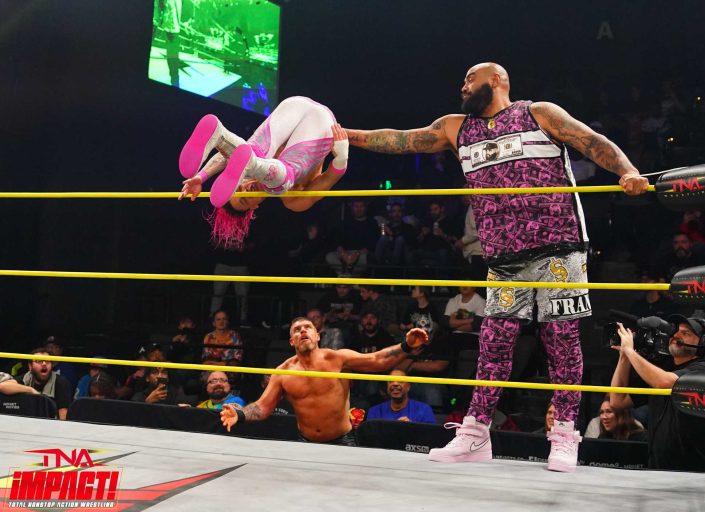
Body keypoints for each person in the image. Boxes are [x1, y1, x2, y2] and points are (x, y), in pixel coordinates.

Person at [347, 62, 648, 471]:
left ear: (497, 80)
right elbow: (401, 140)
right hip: (504, 258)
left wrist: (627, 170)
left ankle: (564, 434)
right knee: (493, 344)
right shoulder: (456, 128)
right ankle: (475, 432)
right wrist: (346, 135)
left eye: (470, 79)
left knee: (561, 339)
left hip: (559, 248)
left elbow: (592, 142)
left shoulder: (538, 113)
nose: (462, 86)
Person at [220, 317, 429, 444]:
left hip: (343, 439)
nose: (303, 331)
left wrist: (407, 346)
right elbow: (262, 407)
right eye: (297, 330)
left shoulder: (337, 359)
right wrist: (240, 414)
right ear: (291, 341)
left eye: (307, 327)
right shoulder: (283, 372)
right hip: (306, 441)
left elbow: (377, 360)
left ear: (317, 335)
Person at [178, 97, 349, 249]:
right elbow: (328, 178)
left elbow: (230, 156)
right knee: (280, 181)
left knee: (254, 150)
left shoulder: (247, 160)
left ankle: (220, 134)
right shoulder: (293, 201)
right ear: (254, 207)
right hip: (320, 127)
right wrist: (342, 157)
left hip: (294, 107)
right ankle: (230, 144)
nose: (246, 189)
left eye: (238, 188)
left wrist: (201, 176)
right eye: (245, 199)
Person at [609, 315, 705, 472]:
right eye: (675, 332)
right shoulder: (661, 369)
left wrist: (630, 351)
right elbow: (617, 400)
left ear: (703, 342)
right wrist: (624, 358)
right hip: (661, 471)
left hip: (702, 473)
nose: (676, 336)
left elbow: (664, 383)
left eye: (686, 333)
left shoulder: (704, 370)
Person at [15, 348, 72, 420]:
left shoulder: (61, 383)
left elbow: (63, 417)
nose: (44, 364)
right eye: (39, 361)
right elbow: (3, 386)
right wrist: (30, 390)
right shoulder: (24, 379)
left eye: (47, 361)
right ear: (30, 366)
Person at [366, 369, 436, 423]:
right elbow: (370, 436)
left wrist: (411, 428)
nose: (395, 384)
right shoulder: (374, 411)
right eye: (391, 381)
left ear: (408, 386)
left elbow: (430, 435)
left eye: (400, 381)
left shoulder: (424, 409)